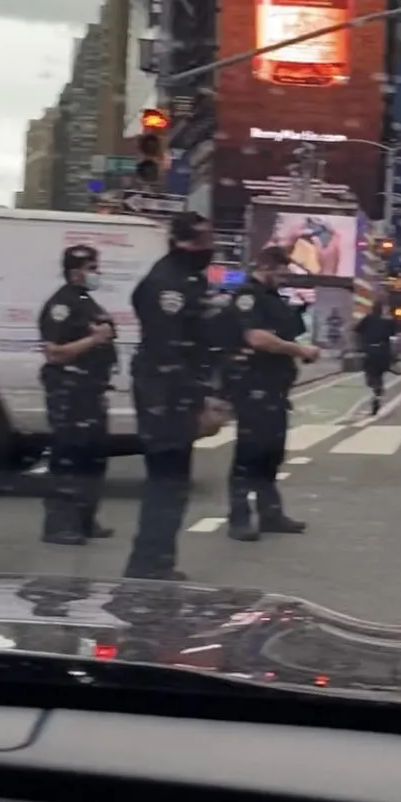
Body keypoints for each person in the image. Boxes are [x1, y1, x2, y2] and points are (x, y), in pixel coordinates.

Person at [123, 213, 226, 582]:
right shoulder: (167, 284)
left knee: (174, 485)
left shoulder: (189, 279)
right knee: (166, 483)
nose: (210, 247)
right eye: (204, 240)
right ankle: (147, 565)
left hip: (176, 393)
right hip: (163, 395)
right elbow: (169, 350)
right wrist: (197, 399)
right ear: (183, 242)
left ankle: (158, 561)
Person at [225, 245, 320, 541]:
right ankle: (239, 517)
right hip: (252, 385)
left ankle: (270, 513)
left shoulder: (275, 298)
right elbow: (257, 337)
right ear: (265, 266)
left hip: (275, 388)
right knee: (249, 453)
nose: (284, 278)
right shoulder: (247, 296)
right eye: (280, 272)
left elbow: (288, 331)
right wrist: (298, 350)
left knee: (271, 453)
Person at [37, 245, 117, 545]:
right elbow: (54, 353)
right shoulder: (61, 305)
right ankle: (58, 525)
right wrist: (93, 340)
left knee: (92, 457)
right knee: (68, 457)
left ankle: (84, 519)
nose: (97, 273)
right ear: (75, 273)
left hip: (90, 391)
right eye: (91, 268)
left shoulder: (87, 302)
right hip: (68, 391)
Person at [356, 295, 397, 416]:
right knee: (379, 374)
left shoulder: (367, 319)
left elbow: (357, 331)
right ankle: (378, 392)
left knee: (371, 375)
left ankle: (376, 390)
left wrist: (359, 345)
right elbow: (393, 335)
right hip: (383, 352)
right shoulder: (388, 321)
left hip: (370, 351)